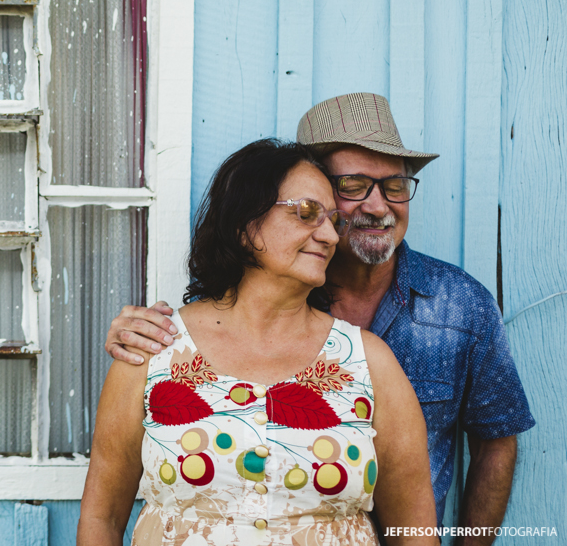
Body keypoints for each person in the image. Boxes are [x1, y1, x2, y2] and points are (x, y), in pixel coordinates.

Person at [106, 93, 535, 541]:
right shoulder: (275, 283)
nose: (377, 205)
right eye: (353, 185)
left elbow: (497, 438)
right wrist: (135, 333)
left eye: (395, 185)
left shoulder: (460, 304)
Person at [80, 139, 437, 545]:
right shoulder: (154, 348)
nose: (330, 236)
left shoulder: (368, 362)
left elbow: (416, 534)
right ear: (243, 224)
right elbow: (102, 520)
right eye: (307, 213)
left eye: (333, 220)